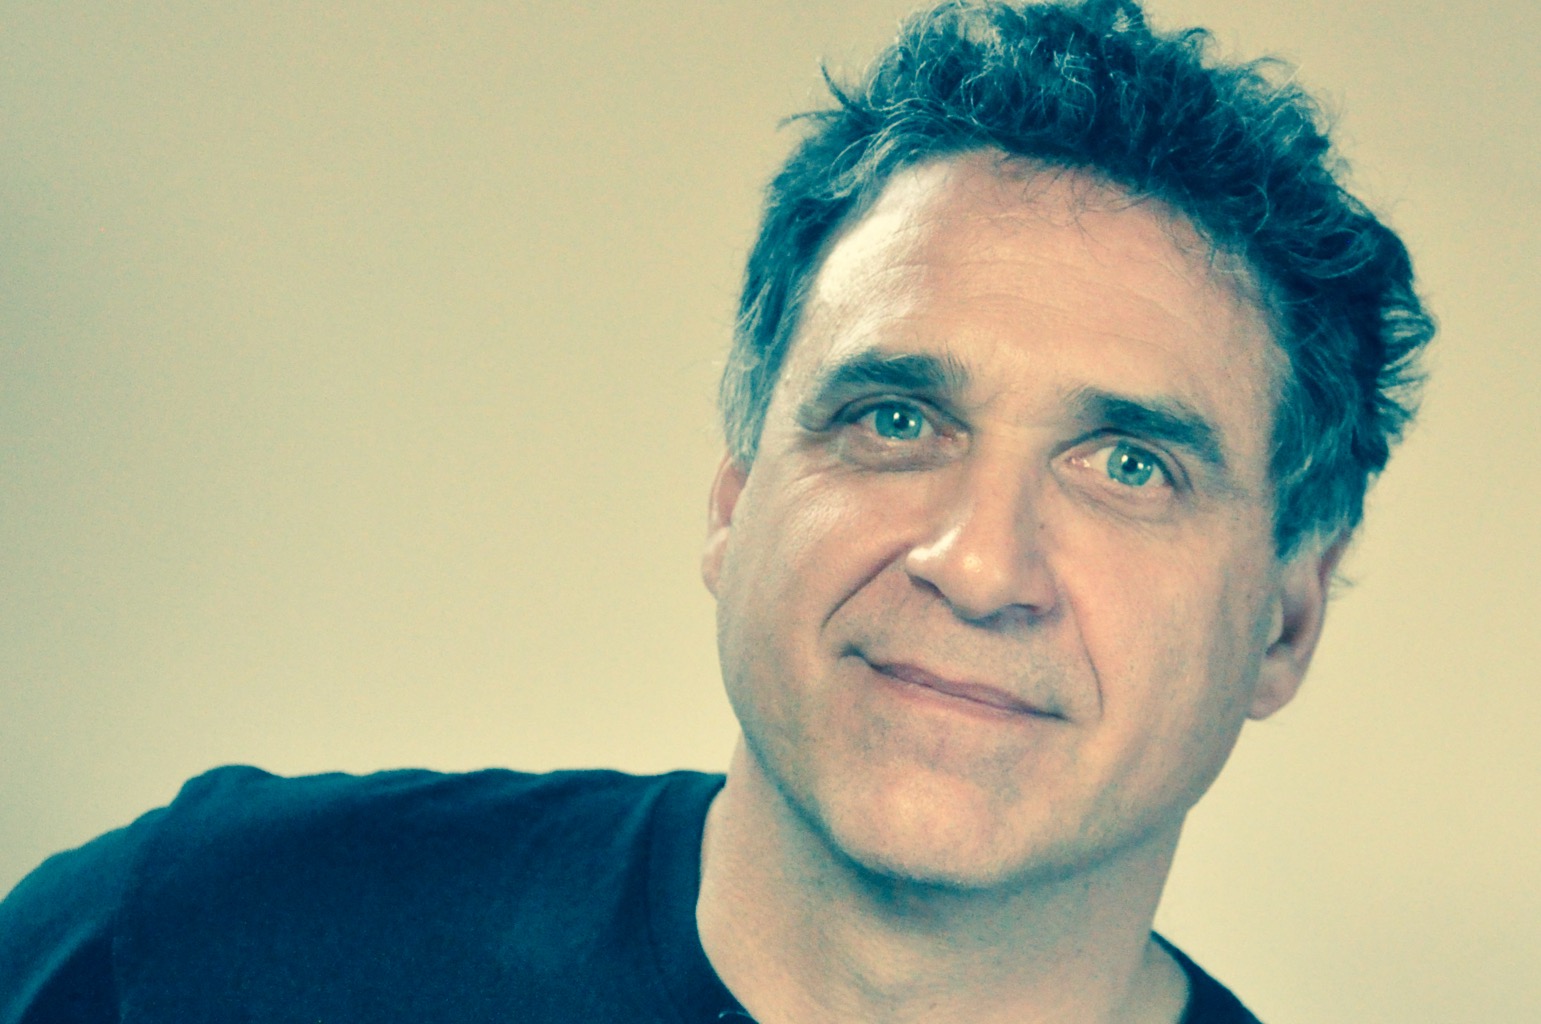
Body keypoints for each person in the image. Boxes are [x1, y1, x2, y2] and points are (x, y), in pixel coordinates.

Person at [0, 0, 1432, 1021]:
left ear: (1283, 622)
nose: (977, 562)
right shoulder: (199, 940)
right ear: (737, 500)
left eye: (1128, 466)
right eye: (895, 420)